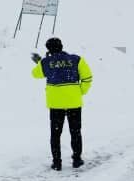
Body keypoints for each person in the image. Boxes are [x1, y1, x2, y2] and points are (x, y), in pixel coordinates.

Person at [30, 37, 93, 170]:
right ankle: (77, 160)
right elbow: (87, 77)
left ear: (48, 49)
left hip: (56, 104)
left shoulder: (46, 62)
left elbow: (35, 74)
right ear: (62, 46)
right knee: (75, 132)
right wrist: (80, 91)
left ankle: (57, 163)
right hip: (74, 103)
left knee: (55, 134)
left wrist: (41, 61)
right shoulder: (76, 59)